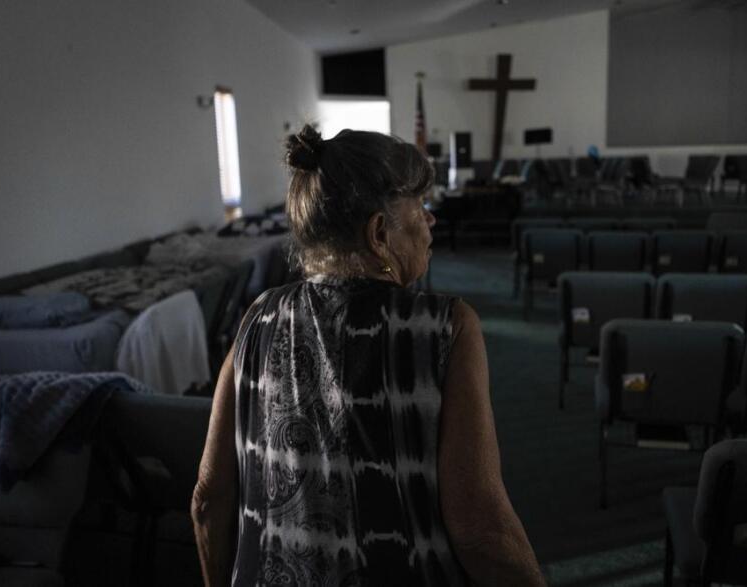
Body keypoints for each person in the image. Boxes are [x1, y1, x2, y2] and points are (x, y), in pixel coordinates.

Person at [191, 125, 545, 586]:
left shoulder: (255, 318)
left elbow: (207, 498)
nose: (431, 220)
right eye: (419, 207)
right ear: (379, 234)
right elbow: (480, 530)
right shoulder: (445, 327)